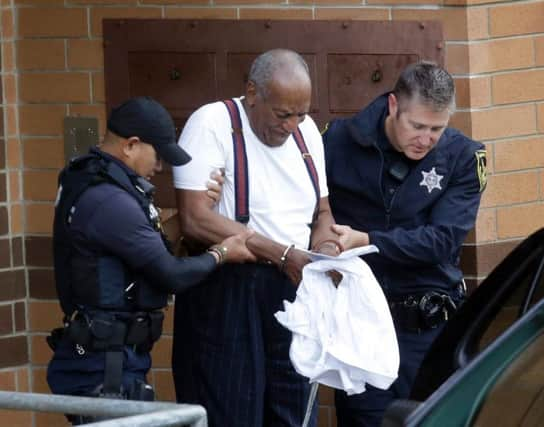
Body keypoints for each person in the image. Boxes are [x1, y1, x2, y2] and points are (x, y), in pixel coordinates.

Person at [47, 96, 255, 425]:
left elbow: (145, 248)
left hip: (111, 357)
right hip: (104, 365)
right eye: (157, 156)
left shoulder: (102, 183)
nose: (159, 168)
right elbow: (170, 273)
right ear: (131, 145)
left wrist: (196, 211)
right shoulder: (108, 199)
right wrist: (222, 253)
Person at [171, 49, 341, 427]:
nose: (292, 125)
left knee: (295, 410)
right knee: (230, 411)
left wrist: (327, 250)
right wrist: (281, 253)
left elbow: (323, 212)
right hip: (229, 289)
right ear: (252, 92)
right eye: (283, 114)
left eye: (301, 114)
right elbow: (195, 220)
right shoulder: (213, 123)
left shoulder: (307, 133)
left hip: (293, 284)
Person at [322, 61, 487, 426]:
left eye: (437, 129)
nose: (425, 139)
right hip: (361, 327)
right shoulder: (337, 141)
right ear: (393, 106)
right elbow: (304, 205)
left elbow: (442, 241)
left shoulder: (462, 156)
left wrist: (367, 241)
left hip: (428, 330)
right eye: (417, 126)